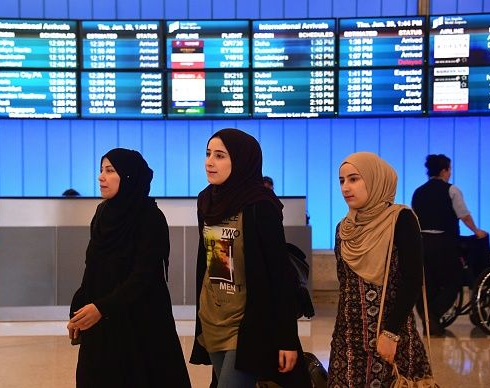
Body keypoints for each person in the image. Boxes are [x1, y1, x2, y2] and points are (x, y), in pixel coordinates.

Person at [190, 128, 311, 388]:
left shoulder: (260, 205)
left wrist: (287, 339)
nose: (210, 162)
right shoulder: (207, 201)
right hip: (213, 320)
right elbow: (210, 263)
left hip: (248, 326)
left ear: (242, 160)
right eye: (208, 154)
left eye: (220, 155)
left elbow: (279, 276)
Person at [67, 148, 191, 388]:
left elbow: (143, 277)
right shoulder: (103, 213)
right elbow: (92, 267)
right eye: (101, 170)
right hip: (101, 322)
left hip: (140, 324)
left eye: (110, 171)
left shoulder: (150, 217)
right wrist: (78, 311)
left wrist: (102, 308)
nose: (101, 177)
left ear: (129, 177)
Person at [328, 152, 431, 387]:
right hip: (348, 341)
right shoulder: (344, 229)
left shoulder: (400, 219)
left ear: (375, 179)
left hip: (391, 339)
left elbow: (412, 280)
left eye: (354, 179)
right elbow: (346, 287)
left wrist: (390, 333)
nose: (346, 188)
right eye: (342, 181)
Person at [412, 154, 487, 334]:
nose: (450, 173)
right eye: (449, 169)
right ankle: (433, 314)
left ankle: (428, 317)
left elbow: (414, 217)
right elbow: (463, 215)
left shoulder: (418, 192)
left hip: (421, 243)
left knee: (426, 284)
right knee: (453, 281)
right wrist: (476, 231)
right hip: (444, 243)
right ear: (444, 170)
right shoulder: (451, 190)